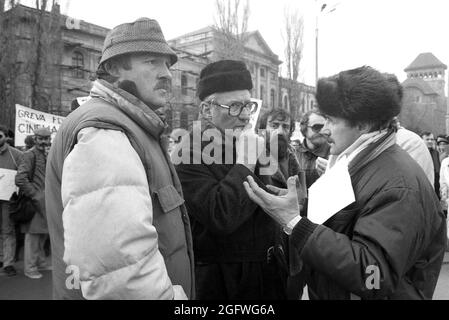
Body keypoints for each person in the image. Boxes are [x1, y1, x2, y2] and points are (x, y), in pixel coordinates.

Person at [244, 66, 447, 299]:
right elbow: (346, 222)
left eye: (331, 120)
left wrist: (295, 223)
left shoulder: (398, 185)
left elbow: (373, 275)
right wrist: (302, 206)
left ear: (362, 123)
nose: (325, 130)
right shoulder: (362, 161)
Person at [45, 18, 194, 299]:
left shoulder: (133, 126)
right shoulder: (105, 131)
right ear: (113, 68)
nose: (167, 74)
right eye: (152, 61)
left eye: (168, 65)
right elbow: (121, 277)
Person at [175, 60, 288, 300]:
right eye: (235, 106)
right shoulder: (188, 153)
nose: (246, 116)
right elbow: (220, 216)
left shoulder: (247, 140)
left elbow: (273, 193)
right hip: (223, 283)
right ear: (207, 110)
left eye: (248, 105)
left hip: (266, 273)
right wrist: (246, 163)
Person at [15, 127, 51, 279]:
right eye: (40, 138)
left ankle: (41, 263)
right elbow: (20, 179)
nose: (44, 141)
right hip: (35, 203)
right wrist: (35, 195)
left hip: (46, 201)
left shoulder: (47, 153)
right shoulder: (29, 155)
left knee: (43, 234)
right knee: (33, 236)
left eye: (46, 138)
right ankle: (30, 268)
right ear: (35, 139)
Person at [0, 125, 23, 276]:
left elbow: (24, 174)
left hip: (8, 199)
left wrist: (17, 187)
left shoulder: (16, 154)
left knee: (7, 230)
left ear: (5, 137)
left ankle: (8, 263)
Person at [259, 108, 300, 181]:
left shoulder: (294, 157)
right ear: (263, 130)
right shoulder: (253, 156)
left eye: (285, 127)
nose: (280, 132)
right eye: (274, 126)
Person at [296, 110, 330, 188]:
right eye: (317, 127)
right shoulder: (293, 154)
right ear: (304, 128)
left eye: (325, 127)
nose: (322, 131)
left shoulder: (336, 155)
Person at [422, 131, 441, 197]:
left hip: (436, 184)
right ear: (422, 140)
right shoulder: (420, 153)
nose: (430, 141)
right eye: (427, 139)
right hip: (425, 183)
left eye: (431, 139)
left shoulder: (436, 153)